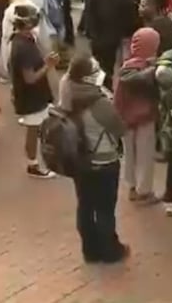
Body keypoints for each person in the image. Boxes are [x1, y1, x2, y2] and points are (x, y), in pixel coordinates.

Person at [58, 54, 130, 263]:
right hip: (104, 161)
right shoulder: (99, 104)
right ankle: (110, 250)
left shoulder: (67, 90)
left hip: (79, 160)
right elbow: (120, 128)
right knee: (105, 208)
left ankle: (90, 250)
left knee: (85, 205)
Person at [8, 4, 57, 179]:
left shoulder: (24, 40)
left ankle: (37, 160)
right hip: (31, 97)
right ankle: (33, 164)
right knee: (33, 129)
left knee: (38, 128)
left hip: (36, 94)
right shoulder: (23, 47)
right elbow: (29, 78)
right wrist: (48, 66)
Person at [113, 27, 161, 204]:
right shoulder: (144, 67)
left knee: (130, 154)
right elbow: (136, 81)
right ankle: (144, 191)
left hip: (125, 118)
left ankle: (133, 187)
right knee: (145, 155)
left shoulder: (128, 63)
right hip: (144, 117)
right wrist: (154, 69)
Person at [86, 0, 138, 87]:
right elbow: (89, 14)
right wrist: (91, 32)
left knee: (109, 65)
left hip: (113, 37)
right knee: (97, 64)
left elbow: (126, 16)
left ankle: (107, 86)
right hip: (98, 36)